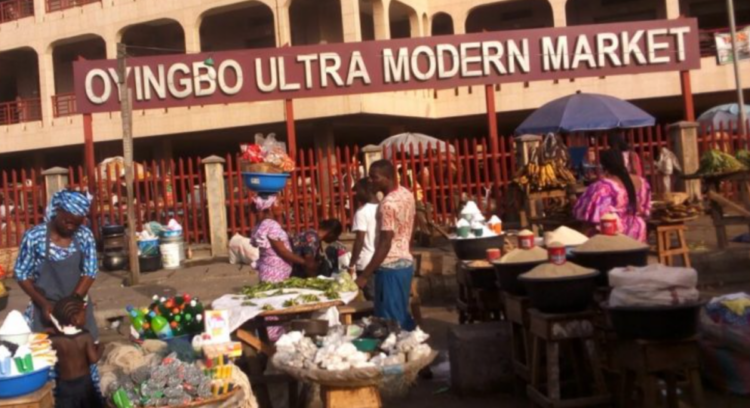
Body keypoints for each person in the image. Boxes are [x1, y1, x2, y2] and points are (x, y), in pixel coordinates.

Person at [14, 189, 102, 400]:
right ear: (57, 211)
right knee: (49, 366)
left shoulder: (85, 236)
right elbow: (21, 274)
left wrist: (72, 304)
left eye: (77, 223)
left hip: (76, 306)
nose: (72, 226)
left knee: (86, 371)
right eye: (67, 221)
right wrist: (44, 304)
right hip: (45, 307)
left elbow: (90, 271)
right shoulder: (34, 237)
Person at [358, 160, 416, 330]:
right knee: (401, 314)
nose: (370, 181)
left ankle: (400, 352)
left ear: (388, 178)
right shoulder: (406, 194)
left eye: (374, 177)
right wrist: (406, 247)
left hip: (390, 267)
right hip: (405, 263)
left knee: (391, 321)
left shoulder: (387, 205)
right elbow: (413, 224)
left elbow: (385, 242)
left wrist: (365, 275)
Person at [250, 194, 313, 340]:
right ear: (270, 207)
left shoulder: (263, 224)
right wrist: (304, 262)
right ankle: (273, 341)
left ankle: (272, 338)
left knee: (274, 304)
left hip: (272, 270)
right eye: (279, 203)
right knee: (274, 307)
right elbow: (282, 251)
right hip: (274, 273)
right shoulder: (269, 225)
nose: (282, 207)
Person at [574, 149, 652, 242]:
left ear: (604, 166)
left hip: (613, 233)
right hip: (638, 230)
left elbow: (590, 215)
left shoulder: (603, 186)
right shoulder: (642, 182)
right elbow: (646, 209)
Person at [49, 296, 102, 408]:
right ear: (74, 319)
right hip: (84, 384)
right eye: (83, 314)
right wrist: (101, 347)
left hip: (65, 385)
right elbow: (93, 359)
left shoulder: (56, 340)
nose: (85, 317)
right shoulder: (85, 336)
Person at [349, 178, 379, 300]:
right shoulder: (383, 207)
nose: (356, 195)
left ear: (366, 191)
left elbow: (359, 240)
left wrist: (351, 264)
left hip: (367, 262)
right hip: (382, 260)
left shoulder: (362, 212)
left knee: (372, 298)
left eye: (358, 191)